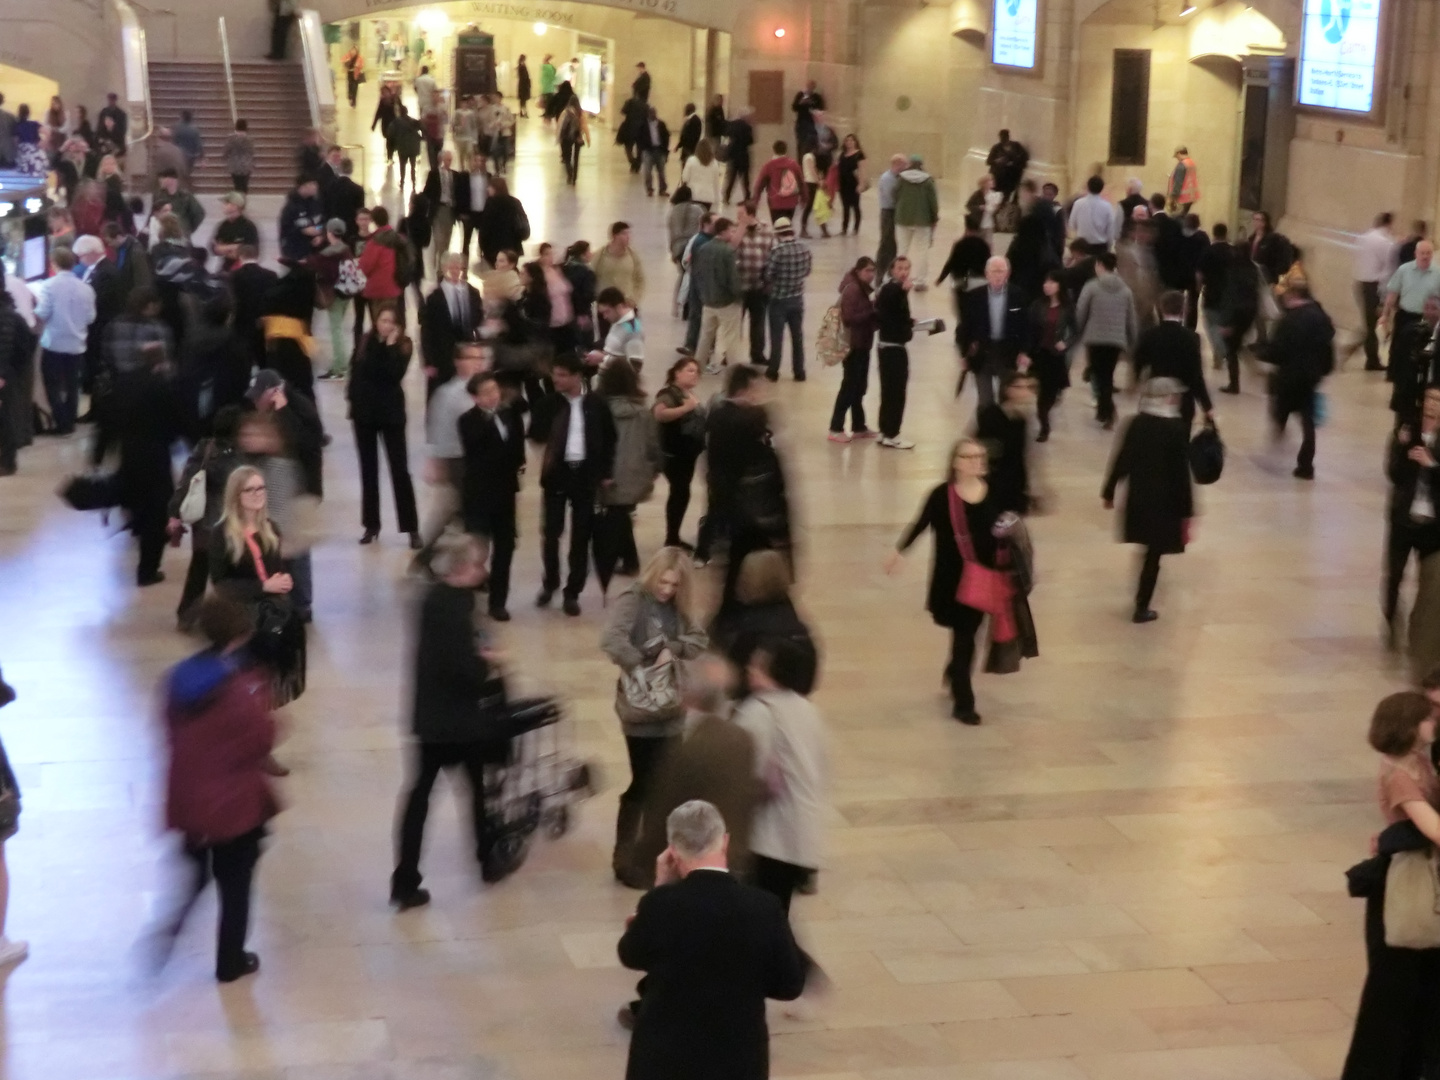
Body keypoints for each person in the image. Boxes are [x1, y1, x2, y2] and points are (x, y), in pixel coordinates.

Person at [618, 799, 807, 1080]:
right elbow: (790, 985)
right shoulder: (763, 907)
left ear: (672, 852)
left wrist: (658, 889)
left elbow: (631, 954)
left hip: (664, 1061)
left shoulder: (661, 904)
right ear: (725, 842)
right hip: (736, 1061)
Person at [155, 595, 277, 983]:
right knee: (236, 884)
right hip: (234, 806)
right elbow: (260, 739)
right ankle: (231, 961)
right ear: (239, 635)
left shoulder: (175, 679)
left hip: (188, 799)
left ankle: (173, 921)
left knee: (196, 872)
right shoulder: (238, 687)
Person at [390, 533, 514, 909]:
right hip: (460, 722)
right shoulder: (457, 608)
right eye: (478, 564)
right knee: (477, 792)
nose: (483, 570)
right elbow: (464, 669)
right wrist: (489, 661)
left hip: (428, 719)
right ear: (461, 569)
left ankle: (405, 878)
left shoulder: (429, 599)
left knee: (420, 798)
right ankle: (487, 861)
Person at [1338, 691, 1440, 1079]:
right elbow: (1431, 827)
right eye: (1428, 718)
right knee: (1397, 980)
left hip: (1419, 866)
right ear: (1411, 726)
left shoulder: (1419, 764)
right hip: (1410, 878)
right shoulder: (1400, 773)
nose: (1434, 724)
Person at [602, 548, 709, 881]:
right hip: (640, 712)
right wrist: (642, 664)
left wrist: (672, 648)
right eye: (663, 581)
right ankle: (627, 860)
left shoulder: (678, 606)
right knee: (644, 784)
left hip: (671, 710)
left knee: (666, 784)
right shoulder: (633, 599)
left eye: (674, 585)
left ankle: (656, 856)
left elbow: (698, 640)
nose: (666, 589)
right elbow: (612, 641)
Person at [887, 438, 1011, 724]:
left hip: (984, 578)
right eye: (968, 457)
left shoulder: (995, 494)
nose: (976, 462)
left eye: (980, 456)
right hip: (951, 579)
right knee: (964, 634)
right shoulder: (942, 495)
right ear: (955, 462)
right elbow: (920, 524)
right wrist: (899, 551)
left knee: (969, 635)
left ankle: (957, 674)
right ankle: (963, 700)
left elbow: (1006, 529)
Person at [622, 655, 764, 897]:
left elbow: (666, 809)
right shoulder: (742, 738)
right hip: (735, 857)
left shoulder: (688, 748)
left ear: (688, 694)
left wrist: (641, 860)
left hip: (695, 865)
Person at [734, 639, 828, 919]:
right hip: (799, 833)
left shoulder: (758, 712)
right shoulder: (806, 709)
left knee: (761, 918)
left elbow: (743, 772)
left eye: (759, 665)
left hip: (766, 836)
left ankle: (793, 963)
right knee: (777, 913)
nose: (750, 667)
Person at [529, 354, 618, 615]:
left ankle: (572, 591)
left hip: (586, 475)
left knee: (581, 535)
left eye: (562, 375)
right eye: (554, 374)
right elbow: (535, 434)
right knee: (551, 533)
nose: (556, 380)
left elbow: (610, 439)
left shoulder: (597, 404)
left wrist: (605, 471)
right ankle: (550, 582)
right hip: (558, 474)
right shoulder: (548, 404)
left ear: (578, 376)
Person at [1101, 377, 1193, 623]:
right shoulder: (1176, 428)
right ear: (1169, 398)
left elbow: (1122, 459)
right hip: (1167, 504)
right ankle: (1142, 606)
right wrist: (1188, 511)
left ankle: (1142, 595)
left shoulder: (1135, 423)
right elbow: (1181, 475)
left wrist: (1109, 490)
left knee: (1147, 548)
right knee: (1155, 554)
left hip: (1139, 499)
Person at [348, 302, 419, 547]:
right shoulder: (365, 341)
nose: (387, 325)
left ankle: (411, 528)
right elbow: (356, 373)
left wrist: (389, 348)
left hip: (391, 414)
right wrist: (353, 404)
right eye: (383, 321)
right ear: (376, 321)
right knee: (368, 471)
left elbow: (392, 375)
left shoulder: (403, 346)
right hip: (364, 414)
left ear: (398, 325)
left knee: (400, 470)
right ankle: (371, 524)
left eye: (391, 322)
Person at [169, 405, 246, 628]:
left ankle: (186, 615)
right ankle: (230, 618)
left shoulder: (205, 448)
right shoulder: (242, 455)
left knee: (198, 569)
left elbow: (186, 482)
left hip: (204, 526)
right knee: (230, 572)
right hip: (231, 524)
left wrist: (174, 514)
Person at [458, 371, 525, 619]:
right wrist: (488, 418)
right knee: (476, 549)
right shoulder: (467, 421)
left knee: (505, 547)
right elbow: (475, 447)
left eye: (495, 390)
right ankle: (468, 594)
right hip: (479, 493)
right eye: (486, 393)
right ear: (475, 398)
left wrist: (519, 463)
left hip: (505, 493)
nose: (493, 396)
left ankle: (499, 601)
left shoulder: (510, 415)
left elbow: (517, 448)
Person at [1384, 387, 1440, 643]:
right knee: (1394, 573)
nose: (1432, 405)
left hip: (1433, 523)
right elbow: (1393, 474)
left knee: (1428, 579)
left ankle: (1419, 626)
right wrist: (1403, 447)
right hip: (1403, 517)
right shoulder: (1408, 429)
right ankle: (1390, 617)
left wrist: (1432, 465)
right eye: (1429, 399)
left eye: (1438, 401)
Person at [598, 359, 662, 580]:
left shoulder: (599, 409)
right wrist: (656, 466)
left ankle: (614, 560)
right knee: (622, 513)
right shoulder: (642, 412)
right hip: (635, 472)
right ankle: (629, 561)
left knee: (616, 514)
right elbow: (653, 443)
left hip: (607, 472)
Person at [1269, 278, 1335, 480]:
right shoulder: (1321, 317)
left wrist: (1262, 353)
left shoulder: (1288, 320)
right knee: (1308, 421)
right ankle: (1306, 465)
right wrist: (1323, 369)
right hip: (1311, 376)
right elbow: (1328, 345)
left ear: (1293, 296)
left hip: (1289, 375)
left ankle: (1279, 429)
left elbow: (1277, 350)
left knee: (1281, 406)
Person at [35, 247, 96, 436]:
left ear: (53, 263)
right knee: (72, 386)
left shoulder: (49, 286)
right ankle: (70, 420)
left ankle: (62, 422)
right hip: (77, 343)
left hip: (54, 343)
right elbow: (90, 317)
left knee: (52, 385)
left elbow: (43, 313)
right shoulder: (86, 288)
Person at [1075, 251, 1138, 428]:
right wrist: (1133, 341)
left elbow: (1081, 311)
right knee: (1107, 376)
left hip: (1095, 339)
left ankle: (1108, 411)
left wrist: (1076, 333)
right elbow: (1131, 319)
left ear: (1100, 266)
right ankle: (1103, 412)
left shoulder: (1092, 287)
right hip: (1116, 341)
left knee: (1098, 375)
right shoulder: (1125, 290)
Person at [1133, 290, 1212, 429]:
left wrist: (1136, 382)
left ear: (1161, 308)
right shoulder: (1192, 338)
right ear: (1184, 310)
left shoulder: (1149, 335)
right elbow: (1196, 375)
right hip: (1182, 401)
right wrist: (1207, 406)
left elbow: (1138, 362)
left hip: (1155, 397)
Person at [960, 256, 1029, 410]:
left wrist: (1024, 351)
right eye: (994, 271)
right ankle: (985, 428)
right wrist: (964, 354)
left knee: (1008, 398)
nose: (998, 275)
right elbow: (965, 327)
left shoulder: (1017, 295)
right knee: (985, 401)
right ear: (987, 274)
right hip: (982, 352)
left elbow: (1025, 325)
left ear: (1008, 273)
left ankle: (1003, 431)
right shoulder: (974, 296)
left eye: (1001, 271)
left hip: (1007, 352)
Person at [653, 356, 706, 549]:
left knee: (682, 493)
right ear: (677, 372)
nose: (695, 375)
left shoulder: (688, 393)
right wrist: (686, 408)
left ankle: (673, 536)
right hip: (674, 455)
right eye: (690, 370)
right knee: (679, 493)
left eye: (697, 372)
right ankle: (672, 538)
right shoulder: (669, 393)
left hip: (687, 455)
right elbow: (659, 413)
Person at [421, 253, 482, 400]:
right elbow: (427, 330)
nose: (454, 270)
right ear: (443, 268)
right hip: (442, 354)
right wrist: (428, 360)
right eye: (450, 266)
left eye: (457, 266)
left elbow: (478, 321)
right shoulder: (434, 297)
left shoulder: (473, 293)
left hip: (466, 352)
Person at [830, 257, 878, 441]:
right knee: (849, 386)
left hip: (863, 344)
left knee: (859, 387)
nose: (871, 275)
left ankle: (859, 426)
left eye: (873, 270)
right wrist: (872, 311)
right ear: (858, 271)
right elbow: (848, 317)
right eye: (867, 270)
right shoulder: (853, 290)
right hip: (853, 346)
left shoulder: (861, 288)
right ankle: (835, 427)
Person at [873, 255, 918, 450]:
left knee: (887, 391)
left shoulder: (890, 289)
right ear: (892, 270)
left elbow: (893, 313)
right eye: (900, 268)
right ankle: (893, 433)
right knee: (896, 392)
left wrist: (909, 322)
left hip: (886, 346)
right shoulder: (893, 289)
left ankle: (884, 431)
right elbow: (893, 305)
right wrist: (903, 292)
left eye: (907, 268)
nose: (904, 272)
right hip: (894, 348)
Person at [1025, 270, 1074, 442]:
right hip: (1040, 355)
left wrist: (1066, 343)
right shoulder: (1037, 305)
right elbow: (1029, 330)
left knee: (1050, 393)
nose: (1047, 286)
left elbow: (1075, 330)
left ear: (1059, 285)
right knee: (1040, 396)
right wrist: (1027, 352)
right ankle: (1044, 425)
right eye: (1046, 282)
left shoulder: (1067, 308)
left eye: (1052, 283)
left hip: (1055, 357)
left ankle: (1045, 414)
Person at [692, 218, 744, 376]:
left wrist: (703, 294)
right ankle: (735, 374)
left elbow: (697, 274)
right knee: (731, 339)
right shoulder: (728, 252)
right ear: (723, 232)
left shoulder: (703, 249)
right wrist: (739, 296)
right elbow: (732, 279)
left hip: (708, 301)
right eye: (731, 230)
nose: (733, 233)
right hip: (727, 302)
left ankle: (696, 368)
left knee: (705, 338)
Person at [763, 217, 812, 383]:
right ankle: (799, 371)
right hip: (797, 298)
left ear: (777, 234)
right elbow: (807, 271)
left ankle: (773, 370)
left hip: (778, 299)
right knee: (797, 337)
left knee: (777, 338)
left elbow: (768, 275)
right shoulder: (804, 248)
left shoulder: (777, 251)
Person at [1353, 212, 1397, 372]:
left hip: (1361, 283)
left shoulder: (1363, 237)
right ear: (1389, 224)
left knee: (1369, 322)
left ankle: (1367, 353)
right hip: (1375, 286)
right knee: (1376, 323)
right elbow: (1389, 268)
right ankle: (1371, 359)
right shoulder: (1385, 242)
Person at [734, 205, 773, 366]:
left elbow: (772, 253)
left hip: (759, 285)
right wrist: (740, 228)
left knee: (758, 322)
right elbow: (730, 249)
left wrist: (769, 280)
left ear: (751, 214)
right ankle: (730, 353)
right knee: (736, 322)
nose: (737, 218)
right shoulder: (735, 230)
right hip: (739, 286)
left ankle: (757, 353)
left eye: (741, 214)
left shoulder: (766, 230)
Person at [893, 156, 939, 288]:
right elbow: (933, 202)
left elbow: (894, 195)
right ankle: (920, 281)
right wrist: (934, 218)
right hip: (922, 220)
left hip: (902, 218)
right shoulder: (928, 180)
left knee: (902, 250)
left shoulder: (901, 179)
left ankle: (899, 277)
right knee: (922, 250)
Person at [0, 291, 32, 477]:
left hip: (3, 374)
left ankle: (8, 462)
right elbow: (25, 348)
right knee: (6, 417)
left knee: (5, 419)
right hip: (9, 373)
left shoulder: (7, 317)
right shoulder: (14, 315)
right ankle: (7, 460)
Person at [1383, 240, 1440, 346]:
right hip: (1405, 317)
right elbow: (1392, 294)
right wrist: (1385, 316)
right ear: (1416, 254)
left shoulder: (1438, 273)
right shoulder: (1403, 270)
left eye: (1428, 253)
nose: (1425, 256)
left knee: (1422, 356)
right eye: (1422, 253)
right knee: (1399, 353)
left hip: (1426, 321)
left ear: (1432, 254)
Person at [594, 222, 647, 327]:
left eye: (629, 234)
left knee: (631, 339)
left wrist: (634, 299)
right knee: (608, 340)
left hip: (627, 306)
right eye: (624, 234)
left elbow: (640, 279)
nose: (628, 237)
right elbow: (591, 277)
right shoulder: (600, 256)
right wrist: (599, 300)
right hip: (607, 309)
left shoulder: (632, 256)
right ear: (614, 236)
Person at [477, 177, 530, 269]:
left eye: (490, 187)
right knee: (511, 270)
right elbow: (522, 221)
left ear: (495, 188)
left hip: (494, 248)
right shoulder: (515, 202)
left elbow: (485, 228)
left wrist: (482, 247)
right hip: (513, 246)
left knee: (498, 274)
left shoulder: (491, 203)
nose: (488, 189)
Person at [278, 175, 325, 264]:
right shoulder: (291, 207)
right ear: (303, 186)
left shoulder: (316, 204)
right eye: (312, 184)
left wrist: (319, 234)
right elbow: (285, 229)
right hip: (295, 252)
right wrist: (301, 231)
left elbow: (322, 223)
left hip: (312, 252)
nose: (315, 187)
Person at [874, 154, 908, 275]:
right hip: (888, 212)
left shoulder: (898, 178)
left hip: (894, 211)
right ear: (897, 164)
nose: (906, 167)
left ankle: (891, 268)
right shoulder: (887, 178)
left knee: (892, 243)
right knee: (886, 241)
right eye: (904, 164)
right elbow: (892, 197)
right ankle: (881, 268)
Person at [211, 194, 260, 273]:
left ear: (235, 206)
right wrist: (233, 247)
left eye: (226, 203)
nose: (223, 206)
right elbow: (213, 248)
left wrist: (224, 248)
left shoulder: (248, 227)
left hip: (244, 269)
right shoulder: (223, 226)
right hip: (226, 267)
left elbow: (252, 251)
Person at [1070, 175, 1119, 251]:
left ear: (1088, 187)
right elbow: (1110, 229)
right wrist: (1109, 246)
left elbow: (1072, 224)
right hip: (1100, 247)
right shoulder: (1107, 206)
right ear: (1102, 188)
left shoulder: (1078, 203)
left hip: (1082, 245)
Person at [986, 129, 1029, 203]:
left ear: (1008, 136)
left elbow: (1024, 157)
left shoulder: (1016, 146)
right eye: (1002, 137)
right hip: (999, 176)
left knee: (1007, 194)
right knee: (997, 195)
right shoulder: (996, 148)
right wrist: (997, 161)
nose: (1003, 139)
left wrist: (1013, 163)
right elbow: (989, 161)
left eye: (1005, 137)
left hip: (1012, 176)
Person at [723, 108, 755, 205]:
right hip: (743, 155)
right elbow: (750, 141)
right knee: (745, 178)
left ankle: (727, 196)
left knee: (732, 177)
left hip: (733, 155)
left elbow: (727, 134)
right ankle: (747, 197)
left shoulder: (733, 124)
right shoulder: (748, 127)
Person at [636, 106, 670, 198]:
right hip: (648, 151)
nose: (653, 115)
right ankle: (649, 189)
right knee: (647, 171)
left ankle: (662, 189)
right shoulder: (643, 125)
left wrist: (665, 151)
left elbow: (666, 137)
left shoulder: (661, 124)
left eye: (654, 113)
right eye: (651, 113)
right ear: (648, 114)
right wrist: (642, 149)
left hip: (659, 150)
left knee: (661, 171)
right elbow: (638, 138)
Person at [836, 134, 866, 237]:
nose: (849, 142)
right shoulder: (842, 154)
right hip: (843, 183)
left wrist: (861, 184)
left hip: (853, 183)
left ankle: (855, 228)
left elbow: (862, 170)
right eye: (847, 140)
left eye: (851, 140)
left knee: (855, 206)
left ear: (855, 142)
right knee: (845, 207)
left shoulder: (859, 154)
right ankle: (844, 228)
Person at [681, 139, 723, 212]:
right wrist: (718, 199)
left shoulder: (691, 160)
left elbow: (685, 178)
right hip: (708, 197)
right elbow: (716, 182)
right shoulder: (714, 163)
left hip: (694, 195)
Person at [558, 99, 590, 185]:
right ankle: (574, 178)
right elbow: (584, 126)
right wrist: (588, 138)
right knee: (576, 158)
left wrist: (558, 137)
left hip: (566, 138)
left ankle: (570, 173)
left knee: (567, 157)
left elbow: (560, 126)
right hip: (577, 137)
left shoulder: (565, 112)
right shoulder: (581, 113)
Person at [791, 80, 825, 155]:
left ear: (814, 87)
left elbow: (821, 109)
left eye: (812, 86)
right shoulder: (800, 95)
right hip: (801, 123)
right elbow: (794, 108)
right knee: (801, 143)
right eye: (808, 86)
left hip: (813, 123)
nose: (810, 88)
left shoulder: (817, 97)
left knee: (813, 143)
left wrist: (812, 106)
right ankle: (800, 163)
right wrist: (801, 103)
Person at [223, 120, 255, 195]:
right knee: (245, 185)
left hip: (234, 165)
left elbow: (227, 150)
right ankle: (243, 200)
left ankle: (238, 202)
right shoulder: (249, 139)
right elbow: (252, 151)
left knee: (237, 185)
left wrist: (225, 157)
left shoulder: (232, 138)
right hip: (246, 165)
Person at [1166, 146, 1199, 214]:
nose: (1177, 158)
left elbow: (1178, 182)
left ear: (1179, 153)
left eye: (1176, 156)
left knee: (1177, 218)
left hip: (1182, 197)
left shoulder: (1182, 165)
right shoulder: (1191, 163)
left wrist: (1173, 198)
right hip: (1191, 197)